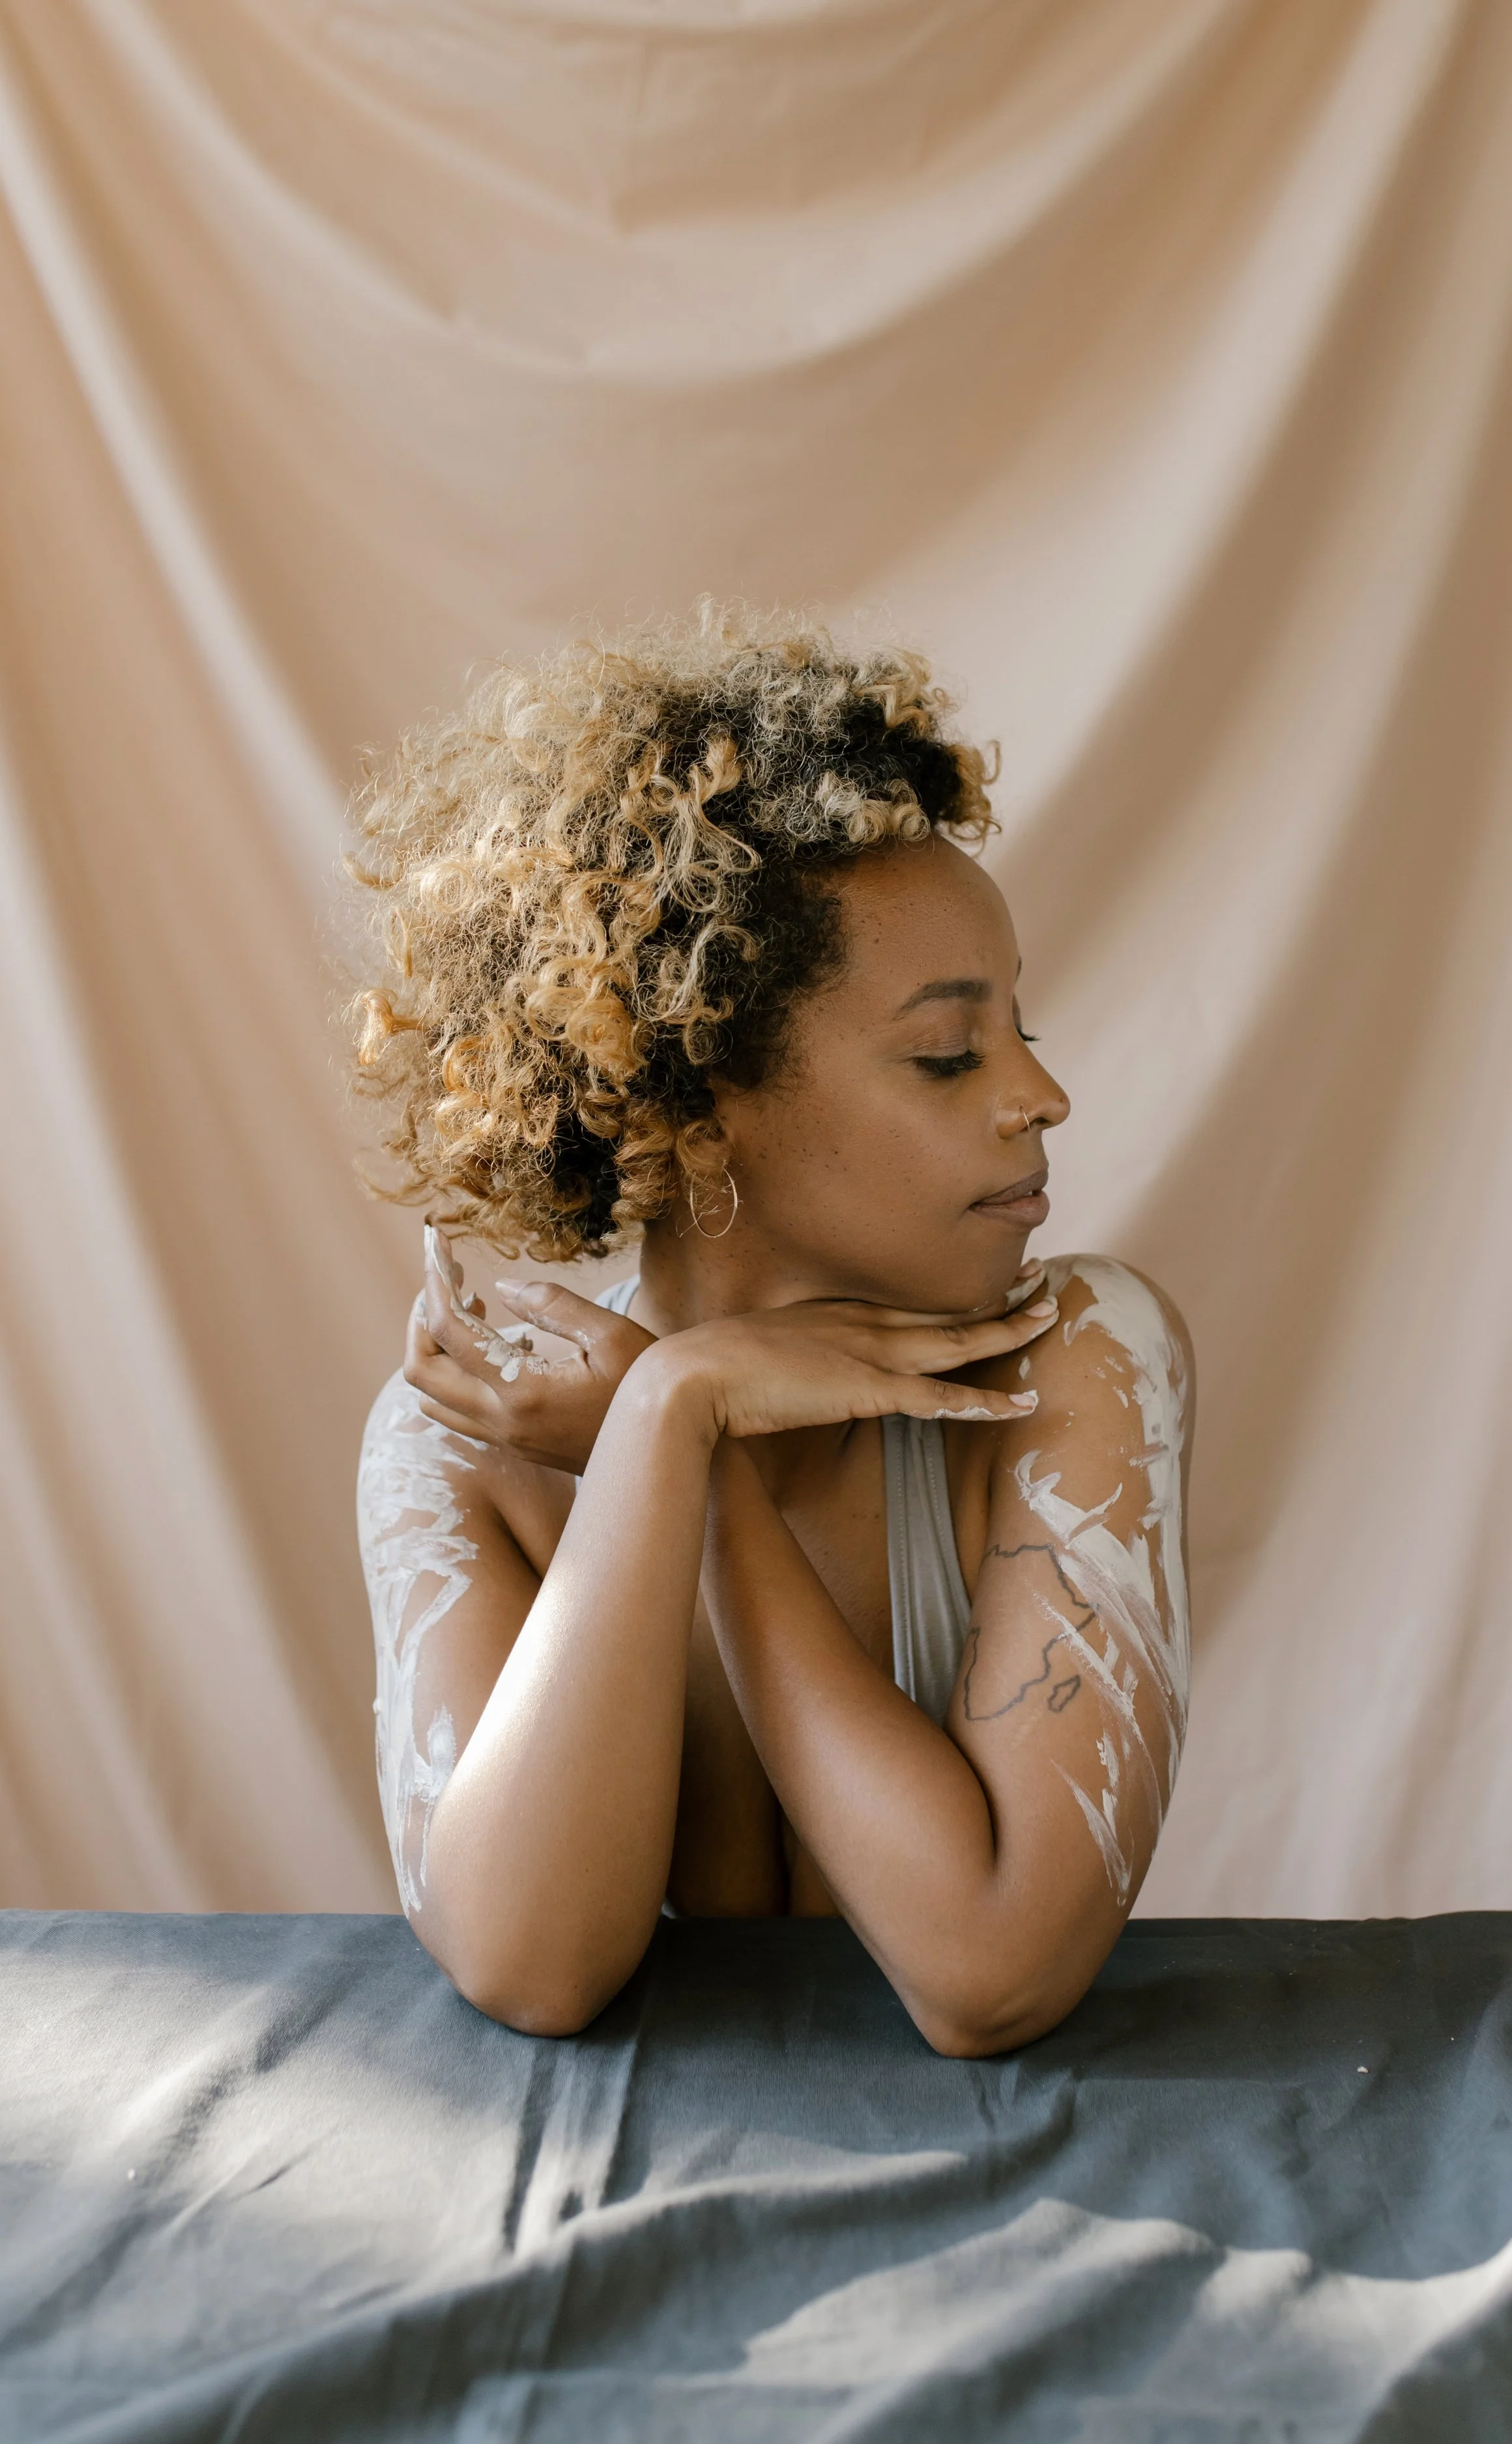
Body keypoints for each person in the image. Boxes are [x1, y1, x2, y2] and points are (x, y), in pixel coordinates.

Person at [351, 613, 1193, 2058]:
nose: (1039, 1100)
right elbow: (532, 1964)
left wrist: (691, 1447)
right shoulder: (463, 1435)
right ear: (696, 1114)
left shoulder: (1080, 1357)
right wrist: (664, 1424)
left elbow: (988, 1970)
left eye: (1022, 1033)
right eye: (947, 1052)